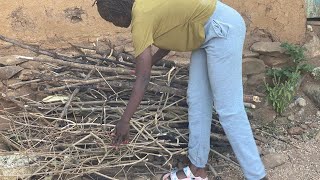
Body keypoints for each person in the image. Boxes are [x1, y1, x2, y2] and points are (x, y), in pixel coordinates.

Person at [95, 0, 267, 179]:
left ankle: (257, 175)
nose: (114, 23)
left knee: (229, 109)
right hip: (203, 36)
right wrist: (150, 62)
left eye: (110, 17)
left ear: (118, 8)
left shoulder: (141, 16)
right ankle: (197, 169)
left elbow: (144, 78)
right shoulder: (146, 7)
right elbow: (170, 36)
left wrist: (124, 121)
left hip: (221, 28)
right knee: (197, 100)